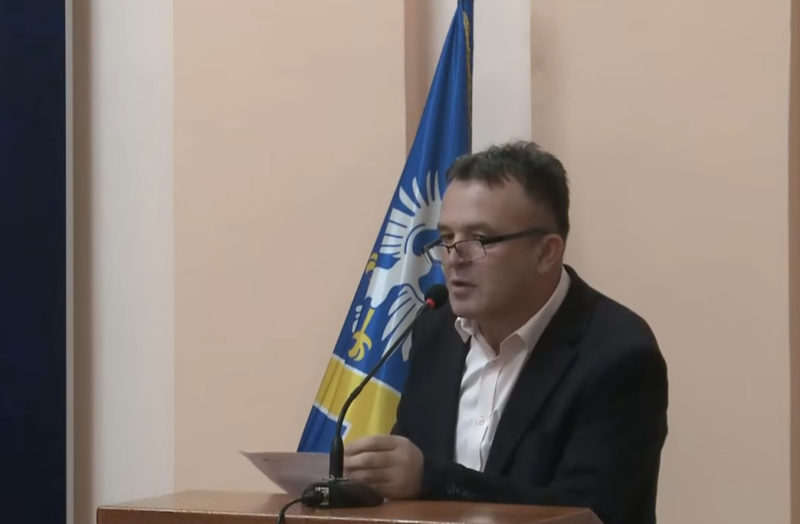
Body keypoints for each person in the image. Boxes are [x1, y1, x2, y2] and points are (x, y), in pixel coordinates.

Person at [342, 141, 669, 524]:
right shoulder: (434, 331)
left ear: (546, 252)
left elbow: (593, 512)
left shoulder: (617, 352)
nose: (453, 258)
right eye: (446, 238)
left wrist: (433, 480)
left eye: (479, 239)